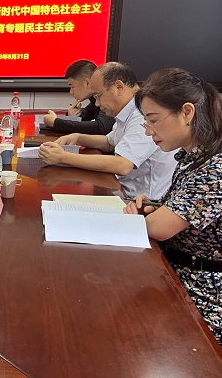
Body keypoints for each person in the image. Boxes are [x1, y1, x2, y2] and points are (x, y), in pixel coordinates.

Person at [123, 68, 221, 345]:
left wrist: (152, 217)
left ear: (187, 112)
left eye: (153, 120)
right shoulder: (191, 158)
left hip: (202, 290)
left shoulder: (216, 167)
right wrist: (151, 207)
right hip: (175, 270)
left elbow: (160, 228)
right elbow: (174, 211)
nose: (148, 131)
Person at [38, 62, 177, 199]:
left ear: (118, 87)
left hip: (140, 201)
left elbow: (122, 165)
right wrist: (78, 137)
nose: (97, 103)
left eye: (98, 96)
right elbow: (109, 142)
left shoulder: (142, 114)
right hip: (121, 189)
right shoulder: (127, 111)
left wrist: (63, 157)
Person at [43, 60, 115, 134]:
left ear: (87, 83)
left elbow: (100, 127)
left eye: (72, 86)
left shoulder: (108, 95)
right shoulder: (94, 99)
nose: (71, 92)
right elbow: (86, 117)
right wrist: (72, 116)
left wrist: (56, 122)